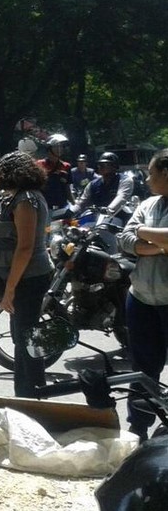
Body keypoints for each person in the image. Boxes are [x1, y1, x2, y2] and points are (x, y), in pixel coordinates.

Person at [0, 151, 53, 397]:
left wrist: (10, 289)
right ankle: (33, 392)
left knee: (25, 340)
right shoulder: (19, 198)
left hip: (29, 279)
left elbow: (25, 248)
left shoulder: (26, 199)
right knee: (25, 337)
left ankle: (29, 395)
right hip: (25, 278)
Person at [116, 148, 168, 440]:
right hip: (141, 299)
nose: (147, 179)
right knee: (143, 370)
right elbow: (125, 238)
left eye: (151, 173)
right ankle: (138, 429)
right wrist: (159, 246)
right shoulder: (148, 204)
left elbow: (137, 233)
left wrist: (143, 235)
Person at [71, 152, 134, 219]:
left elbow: (121, 197)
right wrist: (70, 212)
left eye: (105, 164)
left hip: (119, 219)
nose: (100, 167)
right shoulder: (93, 184)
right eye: (100, 164)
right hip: (98, 220)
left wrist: (108, 210)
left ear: (114, 166)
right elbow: (81, 203)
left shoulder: (124, 180)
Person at [36, 134, 74, 210]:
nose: (59, 149)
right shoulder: (39, 165)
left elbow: (67, 189)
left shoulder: (66, 166)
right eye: (56, 146)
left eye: (61, 146)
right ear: (49, 148)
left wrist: (74, 204)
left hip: (62, 206)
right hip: (44, 207)